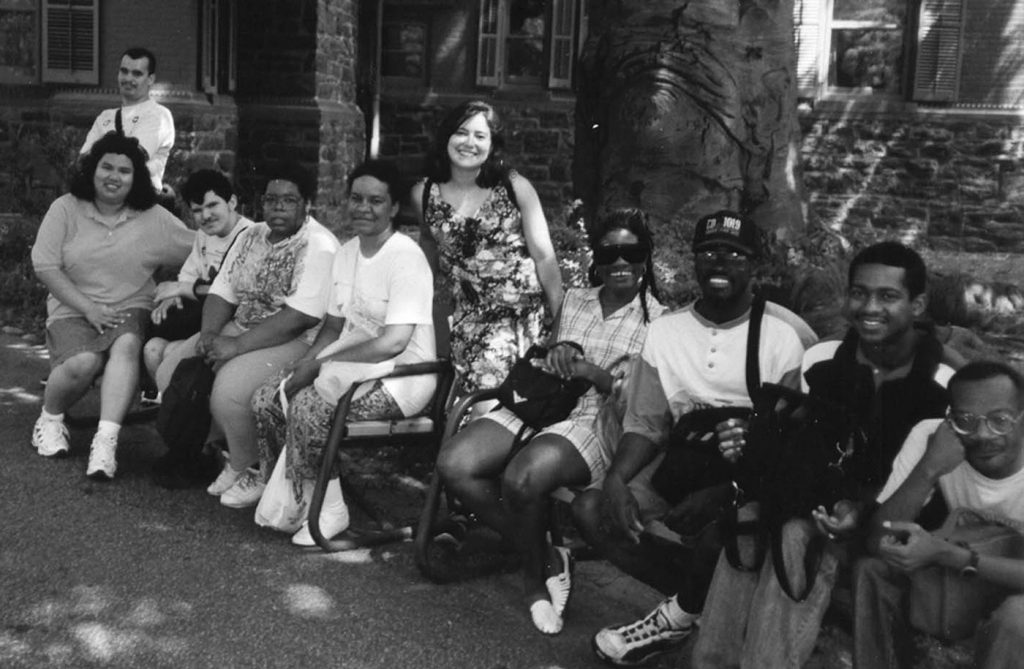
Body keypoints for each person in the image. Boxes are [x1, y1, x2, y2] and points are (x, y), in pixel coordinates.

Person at [692, 242, 958, 669]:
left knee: (799, 537)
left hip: (895, 520)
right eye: (859, 293)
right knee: (750, 519)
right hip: (817, 498)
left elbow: (941, 487)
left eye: (888, 296)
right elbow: (798, 445)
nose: (869, 307)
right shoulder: (821, 360)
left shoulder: (945, 383)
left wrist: (862, 510)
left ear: (918, 303)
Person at [575, 210, 817, 666]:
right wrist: (616, 481)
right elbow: (646, 422)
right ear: (694, 261)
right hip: (685, 459)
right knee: (591, 509)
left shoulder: (786, 338)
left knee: (724, 531)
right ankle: (699, 603)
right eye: (708, 252)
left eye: (734, 254)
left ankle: (678, 617)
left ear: (754, 265)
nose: (719, 262)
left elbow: (791, 447)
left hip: (750, 474)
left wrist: (725, 492)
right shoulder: (666, 332)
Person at [437, 208, 665, 635]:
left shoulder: (660, 321)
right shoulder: (575, 300)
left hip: (596, 421)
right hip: (544, 404)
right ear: (596, 256)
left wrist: (593, 374)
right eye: (608, 251)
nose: (619, 262)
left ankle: (533, 583)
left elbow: (642, 405)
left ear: (645, 257)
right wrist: (558, 355)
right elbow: (547, 356)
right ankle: (545, 551)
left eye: (630, 252)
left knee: (523, 477)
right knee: (454, 465)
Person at [250, 159, 436, 546]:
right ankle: (297, 498)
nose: (362, 208)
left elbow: (394, 342)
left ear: (394, 208)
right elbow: (334, 327)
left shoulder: (406, 257)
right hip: (351, 364)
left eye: (375, 201)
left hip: (403, 377)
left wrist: (319, 368)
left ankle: (331, 509)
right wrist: (304, 366)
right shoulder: (347, 252)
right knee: (269, 397)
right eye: (356, 199)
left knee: (309, 409)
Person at [154, 161, 339, 508]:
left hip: (293, 339)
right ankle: (218, 448)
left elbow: (300, 317)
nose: (278, 208)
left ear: (307, 204)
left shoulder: (319, 244)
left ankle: (248, 465)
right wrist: (209, 335)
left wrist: (235, 346)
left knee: (228, 393)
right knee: (169, 374)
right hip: (238, 327)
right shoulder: (251, 235)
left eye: (289, 200)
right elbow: (223, 292)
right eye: (271, 200)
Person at [30, 132, 193, 479]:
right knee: (84, 362)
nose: (113, 176)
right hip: (73, 308)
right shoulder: (65, 208)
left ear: (135, 179)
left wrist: (185, 286)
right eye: (106, 167)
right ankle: (50, 418)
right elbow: (44, 265)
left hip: (129, 307)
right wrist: (88, 308)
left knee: (128, 344)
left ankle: (105, 442)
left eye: (124, 170)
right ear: (92, 170)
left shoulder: (153, 219)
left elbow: (203, 247)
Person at [855, 361, 1024, 669]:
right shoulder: (932, 437)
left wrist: (950, 556)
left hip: (1005, 579)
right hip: (971, 573)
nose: (983, 434)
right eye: (965, 420)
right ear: (949, 419)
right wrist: (930, 467)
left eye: (1001, 420)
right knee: (872, 570)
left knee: (1018, 617)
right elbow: (878, 539)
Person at [412, 100, 563, 394]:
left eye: (480, 136)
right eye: (461, 133)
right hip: (474, 321)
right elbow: (428, 244)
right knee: (487, 400)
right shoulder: (424, 194)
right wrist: (419, 302)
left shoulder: (514, 186)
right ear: (446, 138)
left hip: (526, 320)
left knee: (523, 402)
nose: (469, 143)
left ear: (493, 145)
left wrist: (561, 324)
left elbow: (545, 258)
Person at [143, 169, 253, 381]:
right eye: (197, 210)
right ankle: (163, 405)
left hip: (229, 325)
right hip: (199, 317)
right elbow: (188, 275)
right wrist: (175, 295)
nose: (206, 216)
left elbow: (236, 293)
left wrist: (182, 289)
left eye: (212, 205)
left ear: (231, 202)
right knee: (152, 348)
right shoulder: (204, 235)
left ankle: (183, 406)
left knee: (170, 352)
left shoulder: (250, 236)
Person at [80, 47, 174, 194]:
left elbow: (133, 159)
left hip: (141, 202)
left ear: (150, 79)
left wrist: (102, 153)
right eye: (124, 71)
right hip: (103, 202)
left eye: (137, 74)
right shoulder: (105, 117)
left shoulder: (159, 115)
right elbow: (84, 161)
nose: (128, 79)